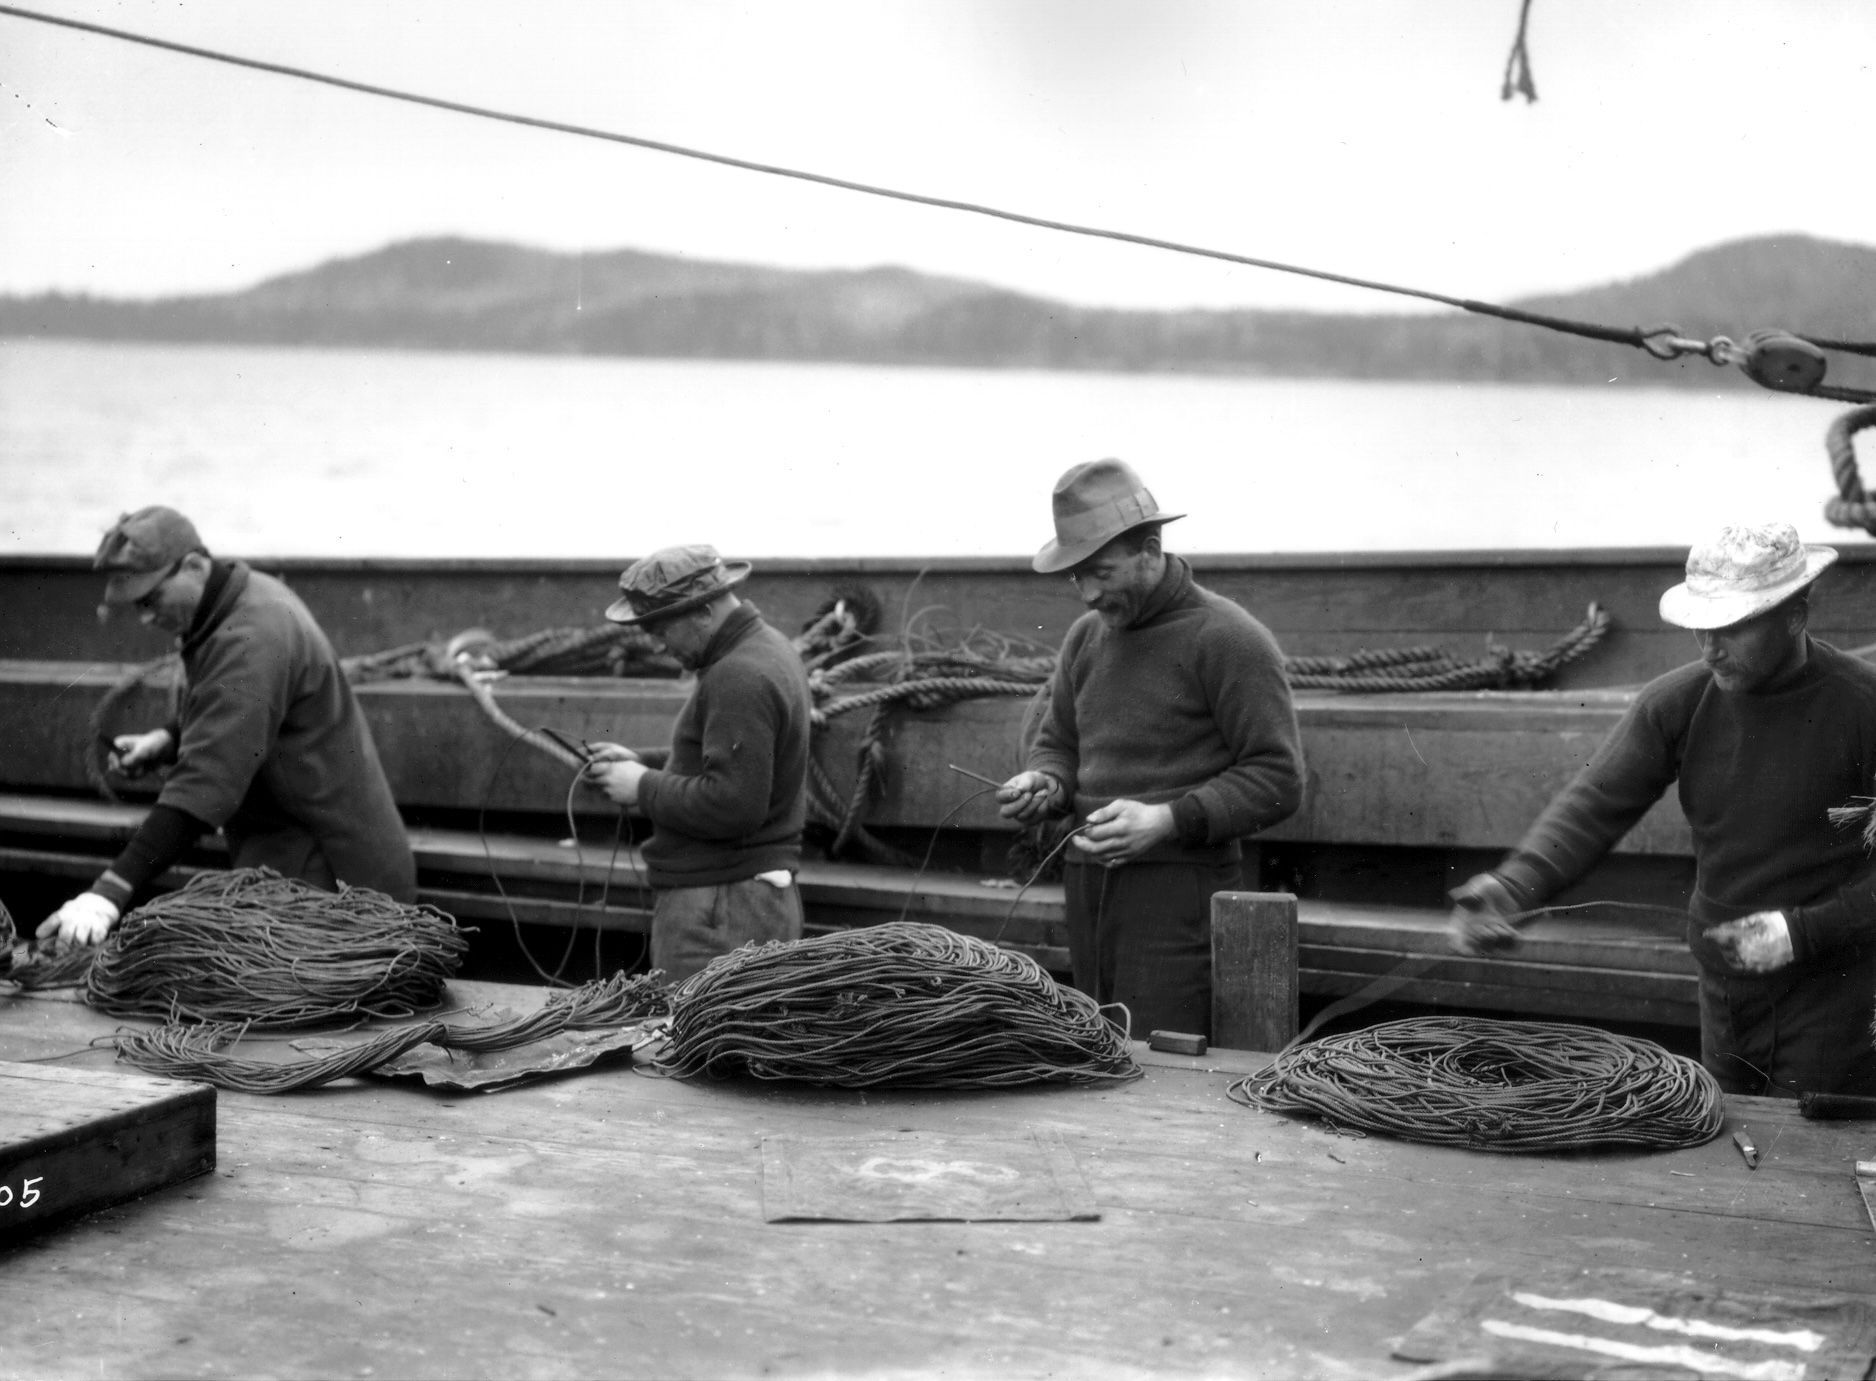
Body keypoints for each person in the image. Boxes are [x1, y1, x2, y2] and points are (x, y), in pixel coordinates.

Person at [1448, 521, 1876, 1097]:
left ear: (1796, 613)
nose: (1710, 647)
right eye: (1701, 628)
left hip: (1837, 994)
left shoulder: (1862, 706)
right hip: (1724, 990)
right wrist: (1514, 885)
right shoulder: (1677, 702)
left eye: (1733, 627)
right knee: (1728, 1149)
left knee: (1814, 1164)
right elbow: (1594, 805)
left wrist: (1803, 932)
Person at [997, 459, 1305, 1039]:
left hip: (1178, 893)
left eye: (1102, 573)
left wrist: (1167, 819)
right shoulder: (1086, 638)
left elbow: (1280, 777)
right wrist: (1047, 783)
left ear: (1150, 548)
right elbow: (1059, 742)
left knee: (1164, 1068)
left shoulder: (1229, 638)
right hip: (1087, 883)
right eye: (1077, 576)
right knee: (1095, 1051)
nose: (1088, 594)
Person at [39, 506, 417, 948]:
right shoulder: (243, 593)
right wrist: (167, 739)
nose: (145, 618)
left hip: (342, 885)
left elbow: (202, 790)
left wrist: (109, 892)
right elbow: (238, 710)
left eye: (150, 600)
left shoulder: (253, 636)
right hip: (286, 851)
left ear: (195, 566)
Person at [584, 544, 812, 981]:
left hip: (721, 912)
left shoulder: (738, 675)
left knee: (694, 1044)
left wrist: (642, 786)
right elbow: (739, 761)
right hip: (748, 902)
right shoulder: (767, 649)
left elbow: (734, 804)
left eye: (660, 628)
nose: (657, 644)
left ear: (704, 612)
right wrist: (641, 762)